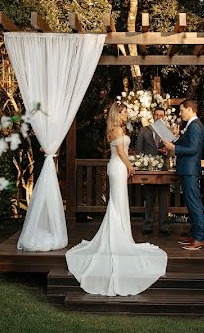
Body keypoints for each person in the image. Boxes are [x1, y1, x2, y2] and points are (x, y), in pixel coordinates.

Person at [64, 102, 168, 295]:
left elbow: (120, 151)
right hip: (119, 166)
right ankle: (118, 237)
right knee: (117, 202)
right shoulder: (118, 129)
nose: (127, 114)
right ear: (117, 114)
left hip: (115, 166)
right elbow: (121, 153)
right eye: (124, 111)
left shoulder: (112, 129)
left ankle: (120, 234)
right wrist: (130, 167)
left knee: (117, 202)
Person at [162, 99, 204, 251]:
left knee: (194, 204)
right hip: (187, 170)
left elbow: (193, 149)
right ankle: (195, 235)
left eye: (181, 110)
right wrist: (171, 146)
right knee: (191, 203)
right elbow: (185, 144)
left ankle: (200, 238)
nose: (180, 114)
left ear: (190, 109)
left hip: (190, 170)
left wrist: (174, 148)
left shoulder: (195, 126)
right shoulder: (192, 126)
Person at [136, 107, 170, 235]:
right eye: (157, 115)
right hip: (149, 170)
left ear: (164, 117)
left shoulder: (166, 131)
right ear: (153, 116)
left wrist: (167, 151)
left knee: (163, 199)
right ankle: (148, 226)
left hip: (163, 170)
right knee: (149, 198)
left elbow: (172, 151)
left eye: (162, 115)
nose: (159, 117)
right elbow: (139, 150)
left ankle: (164, 227)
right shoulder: (144, 130)